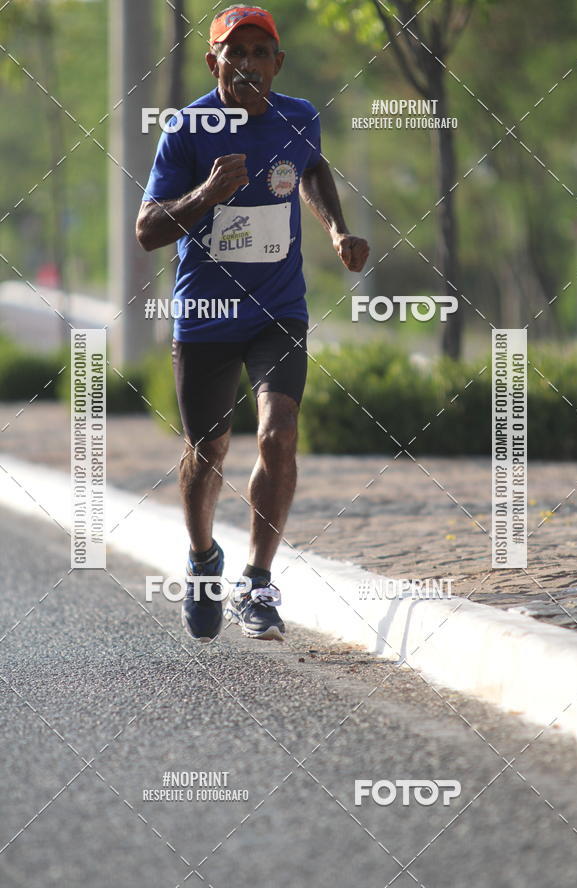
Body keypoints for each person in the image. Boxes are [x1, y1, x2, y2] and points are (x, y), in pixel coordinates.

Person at [136, 5, 369, 642]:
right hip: (205, 314)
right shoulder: (186, 129)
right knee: (207, 450)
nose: (247, 64)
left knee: (278, 433)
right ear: (212, 62)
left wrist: (336, 228)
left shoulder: (299, 116)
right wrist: (205, 195)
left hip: (278, 309)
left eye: (259, 52)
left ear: (277, 63)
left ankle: (258, 582)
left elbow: (312, 166)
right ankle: (202, 559)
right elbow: (147, 230)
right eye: (234, 52)